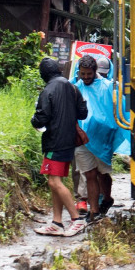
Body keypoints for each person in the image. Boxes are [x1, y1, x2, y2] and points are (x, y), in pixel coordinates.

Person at [32, 57, 89, 237]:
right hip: (69, 140)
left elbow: (41, 119)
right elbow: (83, 112)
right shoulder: (73, 87)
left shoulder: (48, 90)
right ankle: (56, 222)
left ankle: (76, 219)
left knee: (53, 182)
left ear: (43, 74)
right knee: (56, 182)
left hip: (54, 141)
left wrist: (34, 120)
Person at [73, 55, 118, 222]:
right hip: (82, 139)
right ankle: (95, 211)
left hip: (102, 138)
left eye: (88, 74)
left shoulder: (107, 87)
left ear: (95, 71)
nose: (85, 77)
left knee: (102, 174)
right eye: (82, 74)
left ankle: (107, 198)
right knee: (89, 174)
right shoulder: (76, 88)